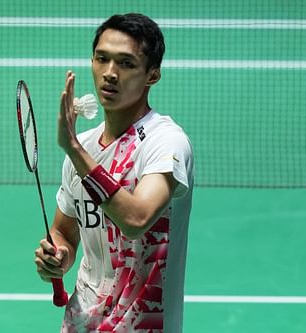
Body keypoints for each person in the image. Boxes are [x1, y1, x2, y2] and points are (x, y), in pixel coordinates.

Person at [34, 13, 194, 333]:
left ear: (152, 75)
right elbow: (64, 232)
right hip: (82, 321)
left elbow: (136, 220)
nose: (110, 73)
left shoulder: (167, 143)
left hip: (145, 325)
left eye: (126, 63)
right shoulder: (84, 148)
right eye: (102, 59)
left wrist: (75, 152)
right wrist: (58, 256)